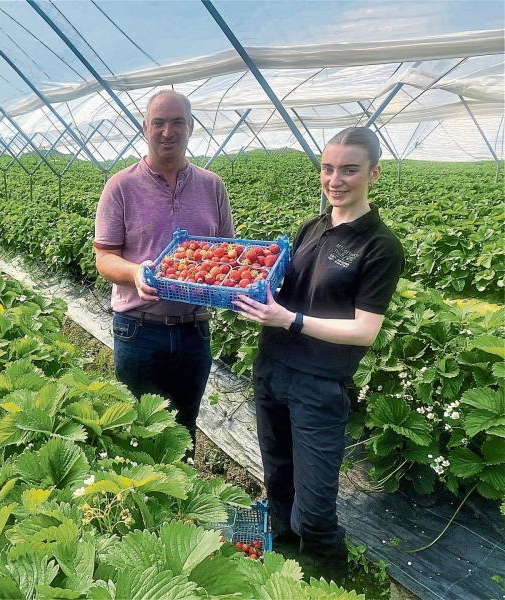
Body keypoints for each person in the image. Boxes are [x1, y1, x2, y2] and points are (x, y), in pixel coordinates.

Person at [233, 127, 404, 575]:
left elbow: (365, 331)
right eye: (328, 169)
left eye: (349, 169)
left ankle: (330, 579)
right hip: (271, 371)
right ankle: (284, 571)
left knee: (313, 510)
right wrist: (242, 285)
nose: (335, 179)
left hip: (318, 385)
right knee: (278, 481)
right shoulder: (313, 226)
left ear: (374, 174)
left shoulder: (379, 246)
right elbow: (281, 288)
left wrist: (292, 321)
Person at [93, 90, 234, 460]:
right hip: (139, 329)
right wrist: (135, 271)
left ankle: (181, 506)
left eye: (177, 122)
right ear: (145, 128)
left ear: (191, 127)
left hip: (194, 329)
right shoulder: (120, 186)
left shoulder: (212, 186)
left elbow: (227, 254)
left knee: (184, 429)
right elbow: (104, 258)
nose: (167, 131)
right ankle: (140, 509)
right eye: (158, 122)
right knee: (137, 432)